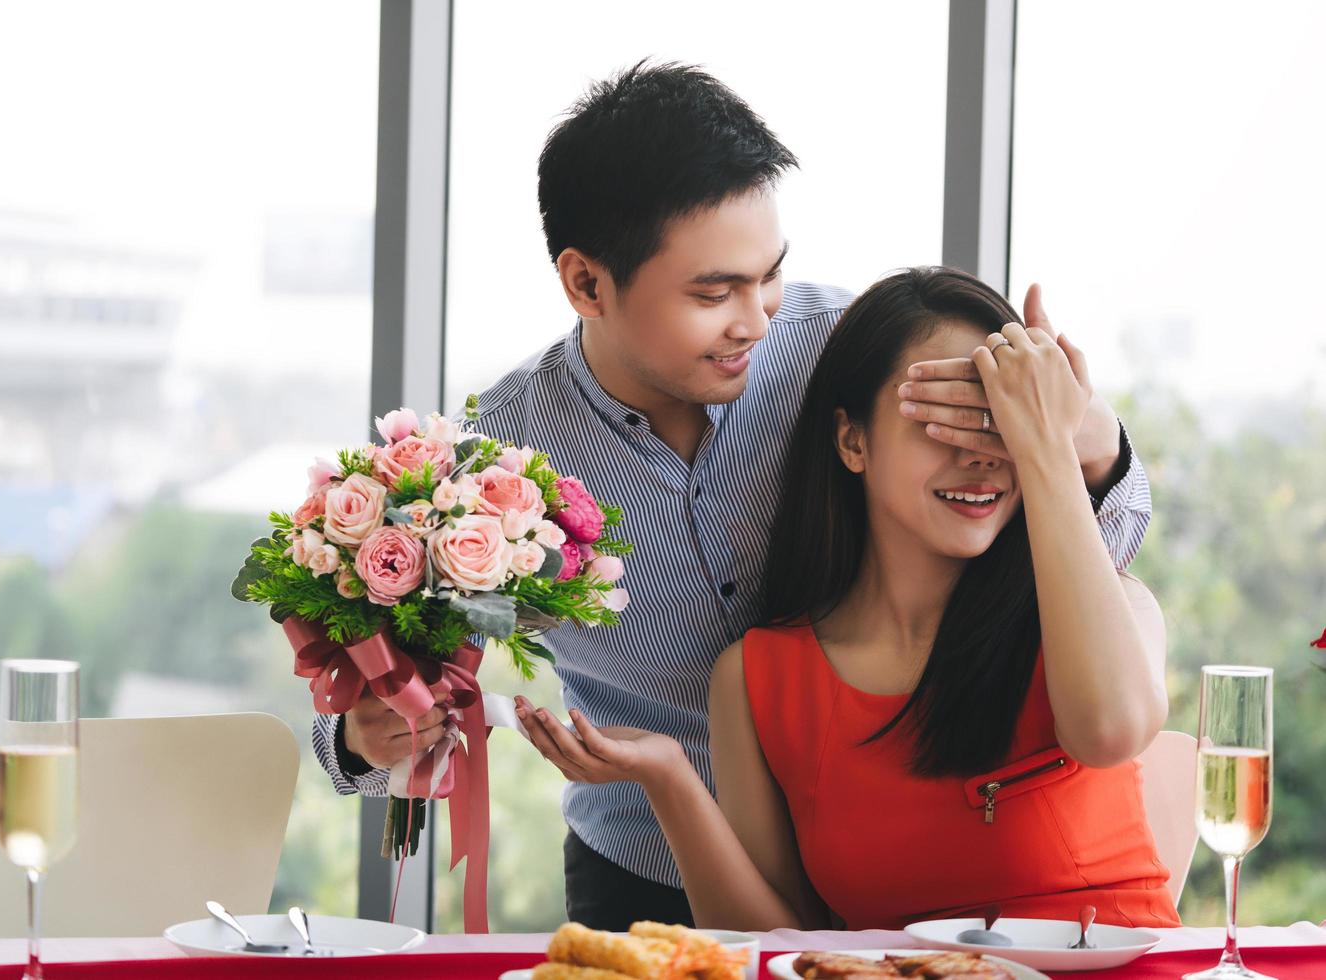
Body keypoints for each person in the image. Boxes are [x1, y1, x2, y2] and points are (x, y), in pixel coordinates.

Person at [313, 62, 1154, 930]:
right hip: (647, 869)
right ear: (586, 283)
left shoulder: (852, 356)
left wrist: (1088, 439)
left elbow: (1089, 551)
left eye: (769, 277)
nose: (755, 319)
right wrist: (362, 736)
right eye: (714, 293)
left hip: (899, 852)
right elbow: (374, 688)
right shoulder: (494, 464)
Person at [517, 266, 1182, 931]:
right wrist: (668, 777)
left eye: (998, 420)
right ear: (852, 440)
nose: (983, 455)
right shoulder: (757, 679)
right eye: (945, 420)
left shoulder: (1104, 611)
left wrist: (1048, 444)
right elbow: (770, 944)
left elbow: (1108, 731)